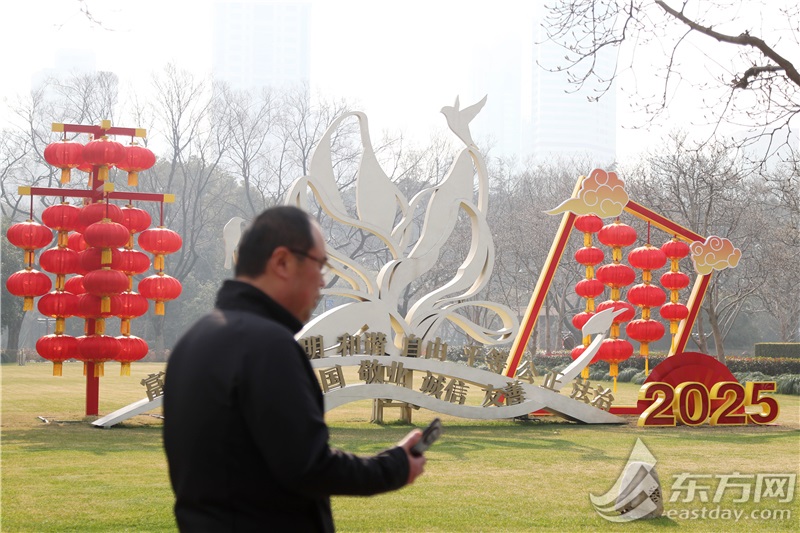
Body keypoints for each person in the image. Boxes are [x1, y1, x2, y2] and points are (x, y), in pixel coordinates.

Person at [163, 206, 426, 532]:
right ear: (282, 262)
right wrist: (395, 466)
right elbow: (309, 467)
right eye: (320, 264)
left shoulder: (194, 340)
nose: (323, 280)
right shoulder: (267, 346)